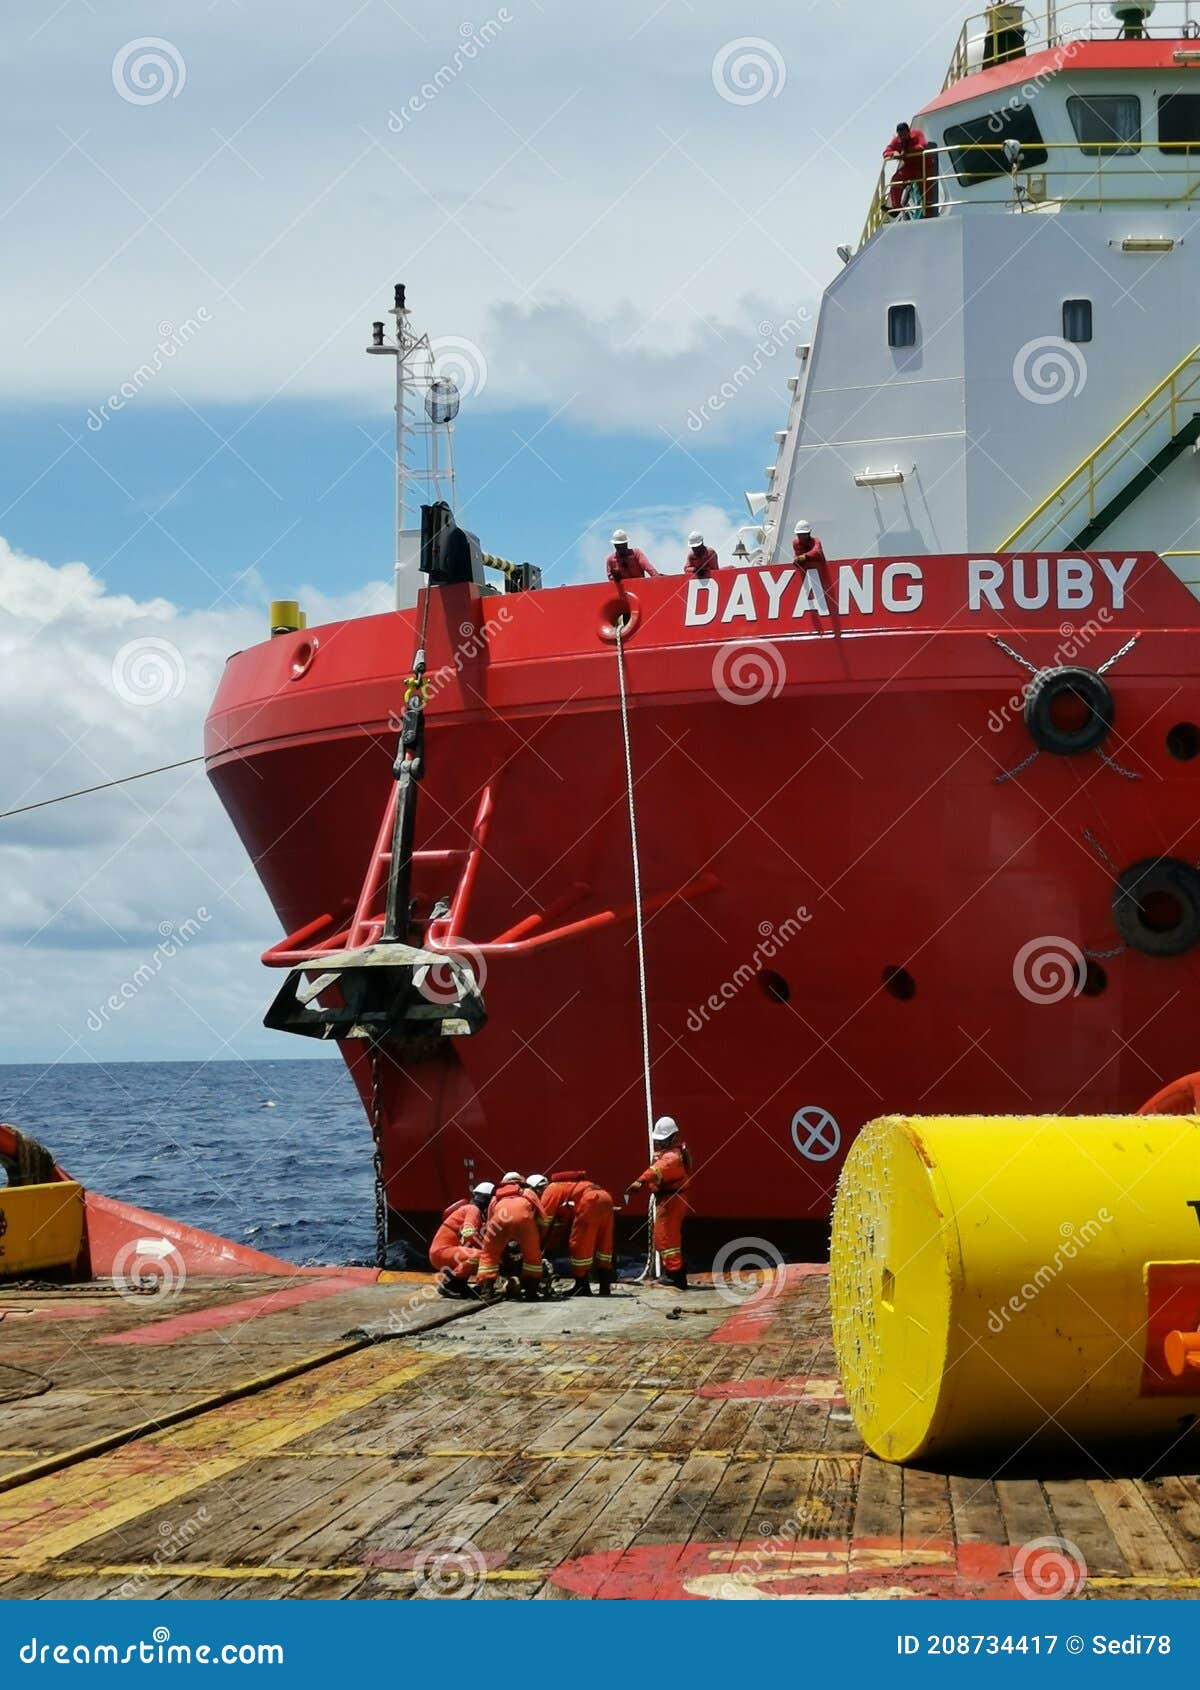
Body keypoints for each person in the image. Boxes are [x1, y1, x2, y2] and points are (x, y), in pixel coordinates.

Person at [623, 1116, 692, 1290]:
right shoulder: (672, 1153)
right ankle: (673, 1272)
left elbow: (658, 1169)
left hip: (671, 1200)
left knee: (667, 1238)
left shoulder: (672, 1157)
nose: (659, 1143)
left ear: (672, 1137)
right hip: (668, 1199)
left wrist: (640, 1181)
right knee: (664, 1238)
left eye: (662, 1140)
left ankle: (675, 1276)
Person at [539, 1170, 616, 1297]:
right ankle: (604, 1287)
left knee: (580, 1245)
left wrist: (538, 1240)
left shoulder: (552, 1188)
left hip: (590, 1202)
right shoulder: (581, 1184)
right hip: (606, 1198)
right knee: (604, 1244)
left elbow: (544, 1218)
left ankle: (582, 1287)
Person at [476, 1172, 545, 1301]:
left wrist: (494, 1239)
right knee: (532, 1255)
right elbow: (542, 1216)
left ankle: (486, 1291)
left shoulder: (496, 1196)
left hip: (499, 1222)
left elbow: (490, 1221)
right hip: (524, 1222)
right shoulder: (528, 1193)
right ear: (521, 1182)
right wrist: (539, 1234)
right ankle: (531, 1291)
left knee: (489, 1254)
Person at [430, 1181, 492, 1298]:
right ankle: (449, 1285)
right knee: (481, 1256)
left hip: (443, 1252)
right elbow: (469, 1233)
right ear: (486, 1200)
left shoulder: (471, 1210)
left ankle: (460, 1285)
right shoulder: (473, 1210)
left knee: (475, 1254)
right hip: (443, 1251)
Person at [884, 121, 930, 215]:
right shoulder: (897, 140)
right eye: (900, 135)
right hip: (909, 166)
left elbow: (922, 146)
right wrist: (894, 153)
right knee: (896, 180)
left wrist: (907, 151)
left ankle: (929, 211)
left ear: (908, 132)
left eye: (904, 134)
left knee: (925, 189)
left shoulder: (917, 134)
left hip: (923, 165)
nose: (902, 137)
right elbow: (886, 153)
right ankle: (896, 208)